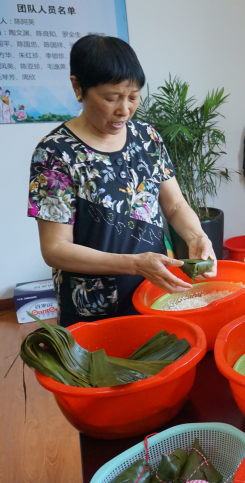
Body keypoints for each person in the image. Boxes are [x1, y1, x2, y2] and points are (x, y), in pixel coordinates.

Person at [28, 35, 216, 327]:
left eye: (133, 97)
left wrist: (197, 237)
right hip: (93, 304)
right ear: (78, 87)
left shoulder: (147, 137)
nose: (124, 110)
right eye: (111, 97)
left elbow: (175, 205)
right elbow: (55, 249)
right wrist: (134, 264)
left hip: (154, 289)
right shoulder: (55, 153)